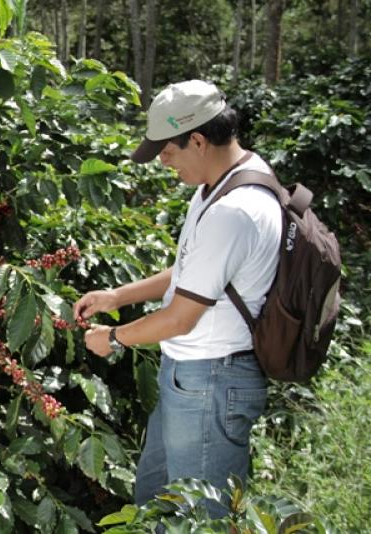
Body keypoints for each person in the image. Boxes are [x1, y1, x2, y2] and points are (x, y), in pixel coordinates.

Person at [73, 80, 281, 518]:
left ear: (199, 141)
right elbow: (191, 272)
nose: (163, 161)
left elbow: (180, 317)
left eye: (167, 150)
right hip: (189, 376)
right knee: (156, 504)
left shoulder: (234, 210)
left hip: (212, 380)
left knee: (202, 517)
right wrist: (116, 295)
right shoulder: (217, 187)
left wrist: (114, 338)